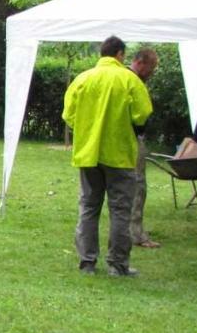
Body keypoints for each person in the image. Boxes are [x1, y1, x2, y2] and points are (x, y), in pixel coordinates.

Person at [62, 36, 153, 276]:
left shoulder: (82, 79)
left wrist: (86, 130)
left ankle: (87, 261)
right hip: (119, 154)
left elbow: (68, 115)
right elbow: (142, 115)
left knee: (89, 207)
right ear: (120, 55)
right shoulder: (129, 80)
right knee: (120, 210)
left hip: (88, 153)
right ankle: (118, 264)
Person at [127, 47, 160, 249]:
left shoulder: (119, 77)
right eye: (151, 68)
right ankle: (136, 234)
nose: (152, 73)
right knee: (137, 186)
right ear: (140, 62)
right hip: (131, 139)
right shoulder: (133, 82)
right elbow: (142, 114)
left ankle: (130, 231)